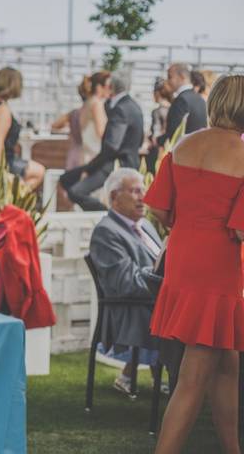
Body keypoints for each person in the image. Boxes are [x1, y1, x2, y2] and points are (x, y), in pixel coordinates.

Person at [144, 74, 244, 454]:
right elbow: (240, 231)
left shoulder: (184, 144)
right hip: (217, 268)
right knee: (193, 377)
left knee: (226, 364)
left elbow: (158, 207)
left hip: (183, 259)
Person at [88, 168, 163, 394]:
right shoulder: (106, 232)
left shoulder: (145, 226)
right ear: (114, 197)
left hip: (152, 301)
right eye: (135, 191)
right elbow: (125, 282)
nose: (143, 197)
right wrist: (164, 280)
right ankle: (194, 382)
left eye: (144, 190)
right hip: (131, 308)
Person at [60, 72, 144, 211]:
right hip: (123, 162)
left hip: (115, 165)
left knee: (75, 191)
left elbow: (111, 146)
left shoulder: (120, 109)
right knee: (66, 180)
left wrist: (90, 168)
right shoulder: (133, 106)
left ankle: (107, 214)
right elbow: (139, 139)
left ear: (111, 87)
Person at [0, 67, 45, 190]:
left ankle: (16, 197)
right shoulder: (2, 110)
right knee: (39, 172)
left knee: (35, 171)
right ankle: (17, 199)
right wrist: (1, 173)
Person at [51, 71, 111, 168]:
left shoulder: (84, 106)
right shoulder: (97, 104)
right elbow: (101, 133)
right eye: (108, 85)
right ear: (99, 87)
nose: (110, 89)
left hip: (79, 154)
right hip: (92, 154)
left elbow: (55, 125)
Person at [158, 63, 207, 148]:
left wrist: (158, 140)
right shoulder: (200, 99)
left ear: (182, 76)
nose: (168, 81)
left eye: (170, 77)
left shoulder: (181, 100)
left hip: (183, 153)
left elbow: (174, 134)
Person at [146, 78, 172, 171]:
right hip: (169, 147)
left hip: (157, 150)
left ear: (157, 93)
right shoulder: (173, 108)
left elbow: (156, 134)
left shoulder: (157, 111)